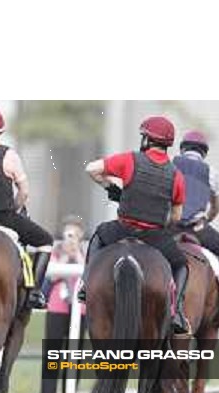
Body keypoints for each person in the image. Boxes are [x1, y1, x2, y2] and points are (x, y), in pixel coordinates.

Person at [79, 116, 190, 334]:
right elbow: (177, 216)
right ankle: (176, 312)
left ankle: (85, 285)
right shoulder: (176, 175)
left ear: (147, 140)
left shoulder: (130, 160)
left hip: (122, 229)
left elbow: (92, 169)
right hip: (155, 236)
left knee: (99, 236)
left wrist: (112, 189)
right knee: (181, 264)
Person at [0, 106, 54, 309]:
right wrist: (15, 207)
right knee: (46, 241)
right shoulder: (10, 156)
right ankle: (34, 292)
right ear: (0, 133)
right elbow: (24, 192)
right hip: (5, 217)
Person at [173, 131, 219, 314]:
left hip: (170, 227)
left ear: (182, 149)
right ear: (203, 152)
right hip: (197, 229)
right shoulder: (211, 171)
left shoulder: (170, 164)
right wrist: (206, 220)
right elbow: (216, 207)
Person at [36, 216, 86, 393]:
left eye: (74, 234)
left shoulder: (85, 253)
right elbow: (53, 275)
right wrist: (65, 255)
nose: (71, 239)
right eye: (68, 234)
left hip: (80, 310)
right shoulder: (57, 253)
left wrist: (77, 253)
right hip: (57, 307)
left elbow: (87, 273)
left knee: (75, 353)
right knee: (52, 352)